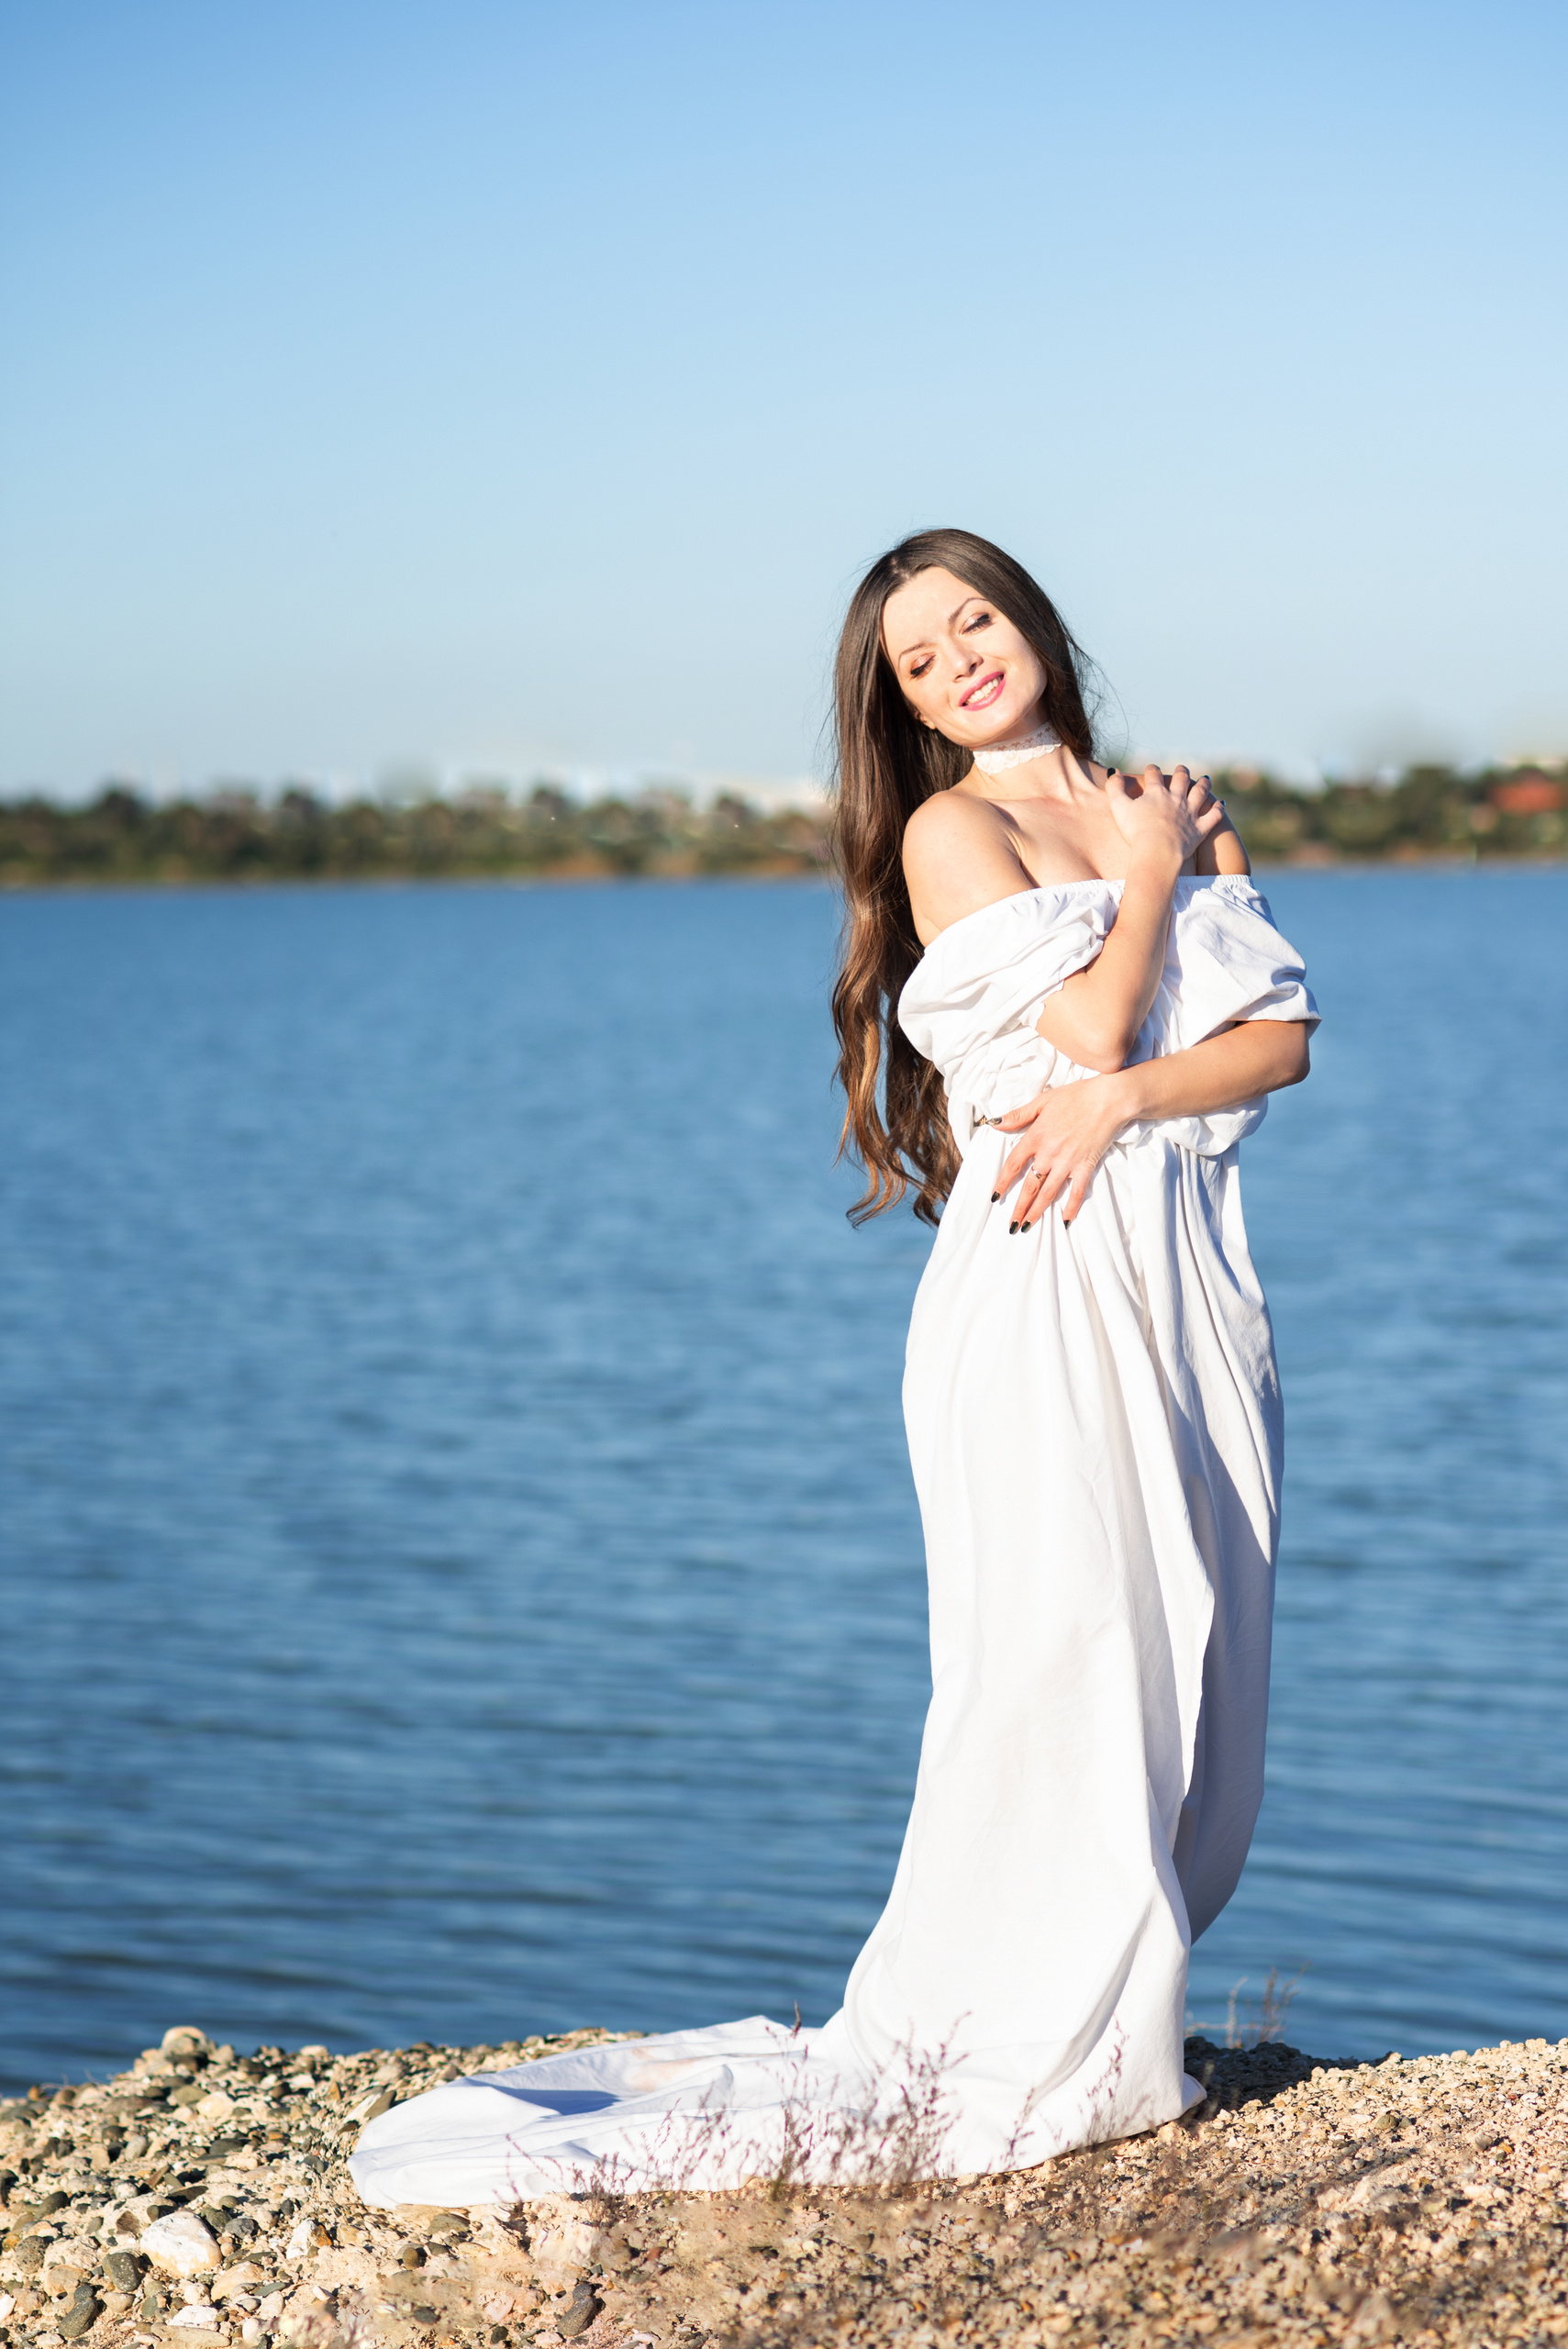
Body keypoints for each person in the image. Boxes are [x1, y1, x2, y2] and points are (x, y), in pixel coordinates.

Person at [349, 529, 1318, 2209]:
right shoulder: (957, 831)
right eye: (918, 660)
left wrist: (1121, 1084)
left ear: (1033, 624)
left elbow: (1276, 1045)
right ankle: (1032, 2030)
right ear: (905, 706)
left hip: (1183, 1271)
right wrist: (1152, 885)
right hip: (1044, 1280)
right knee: (1068, 1640)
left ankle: (1118, 1994)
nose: (959, 664)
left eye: (974, 623)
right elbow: (1089, 1026)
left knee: (1203, 1655)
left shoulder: (1161, 803)